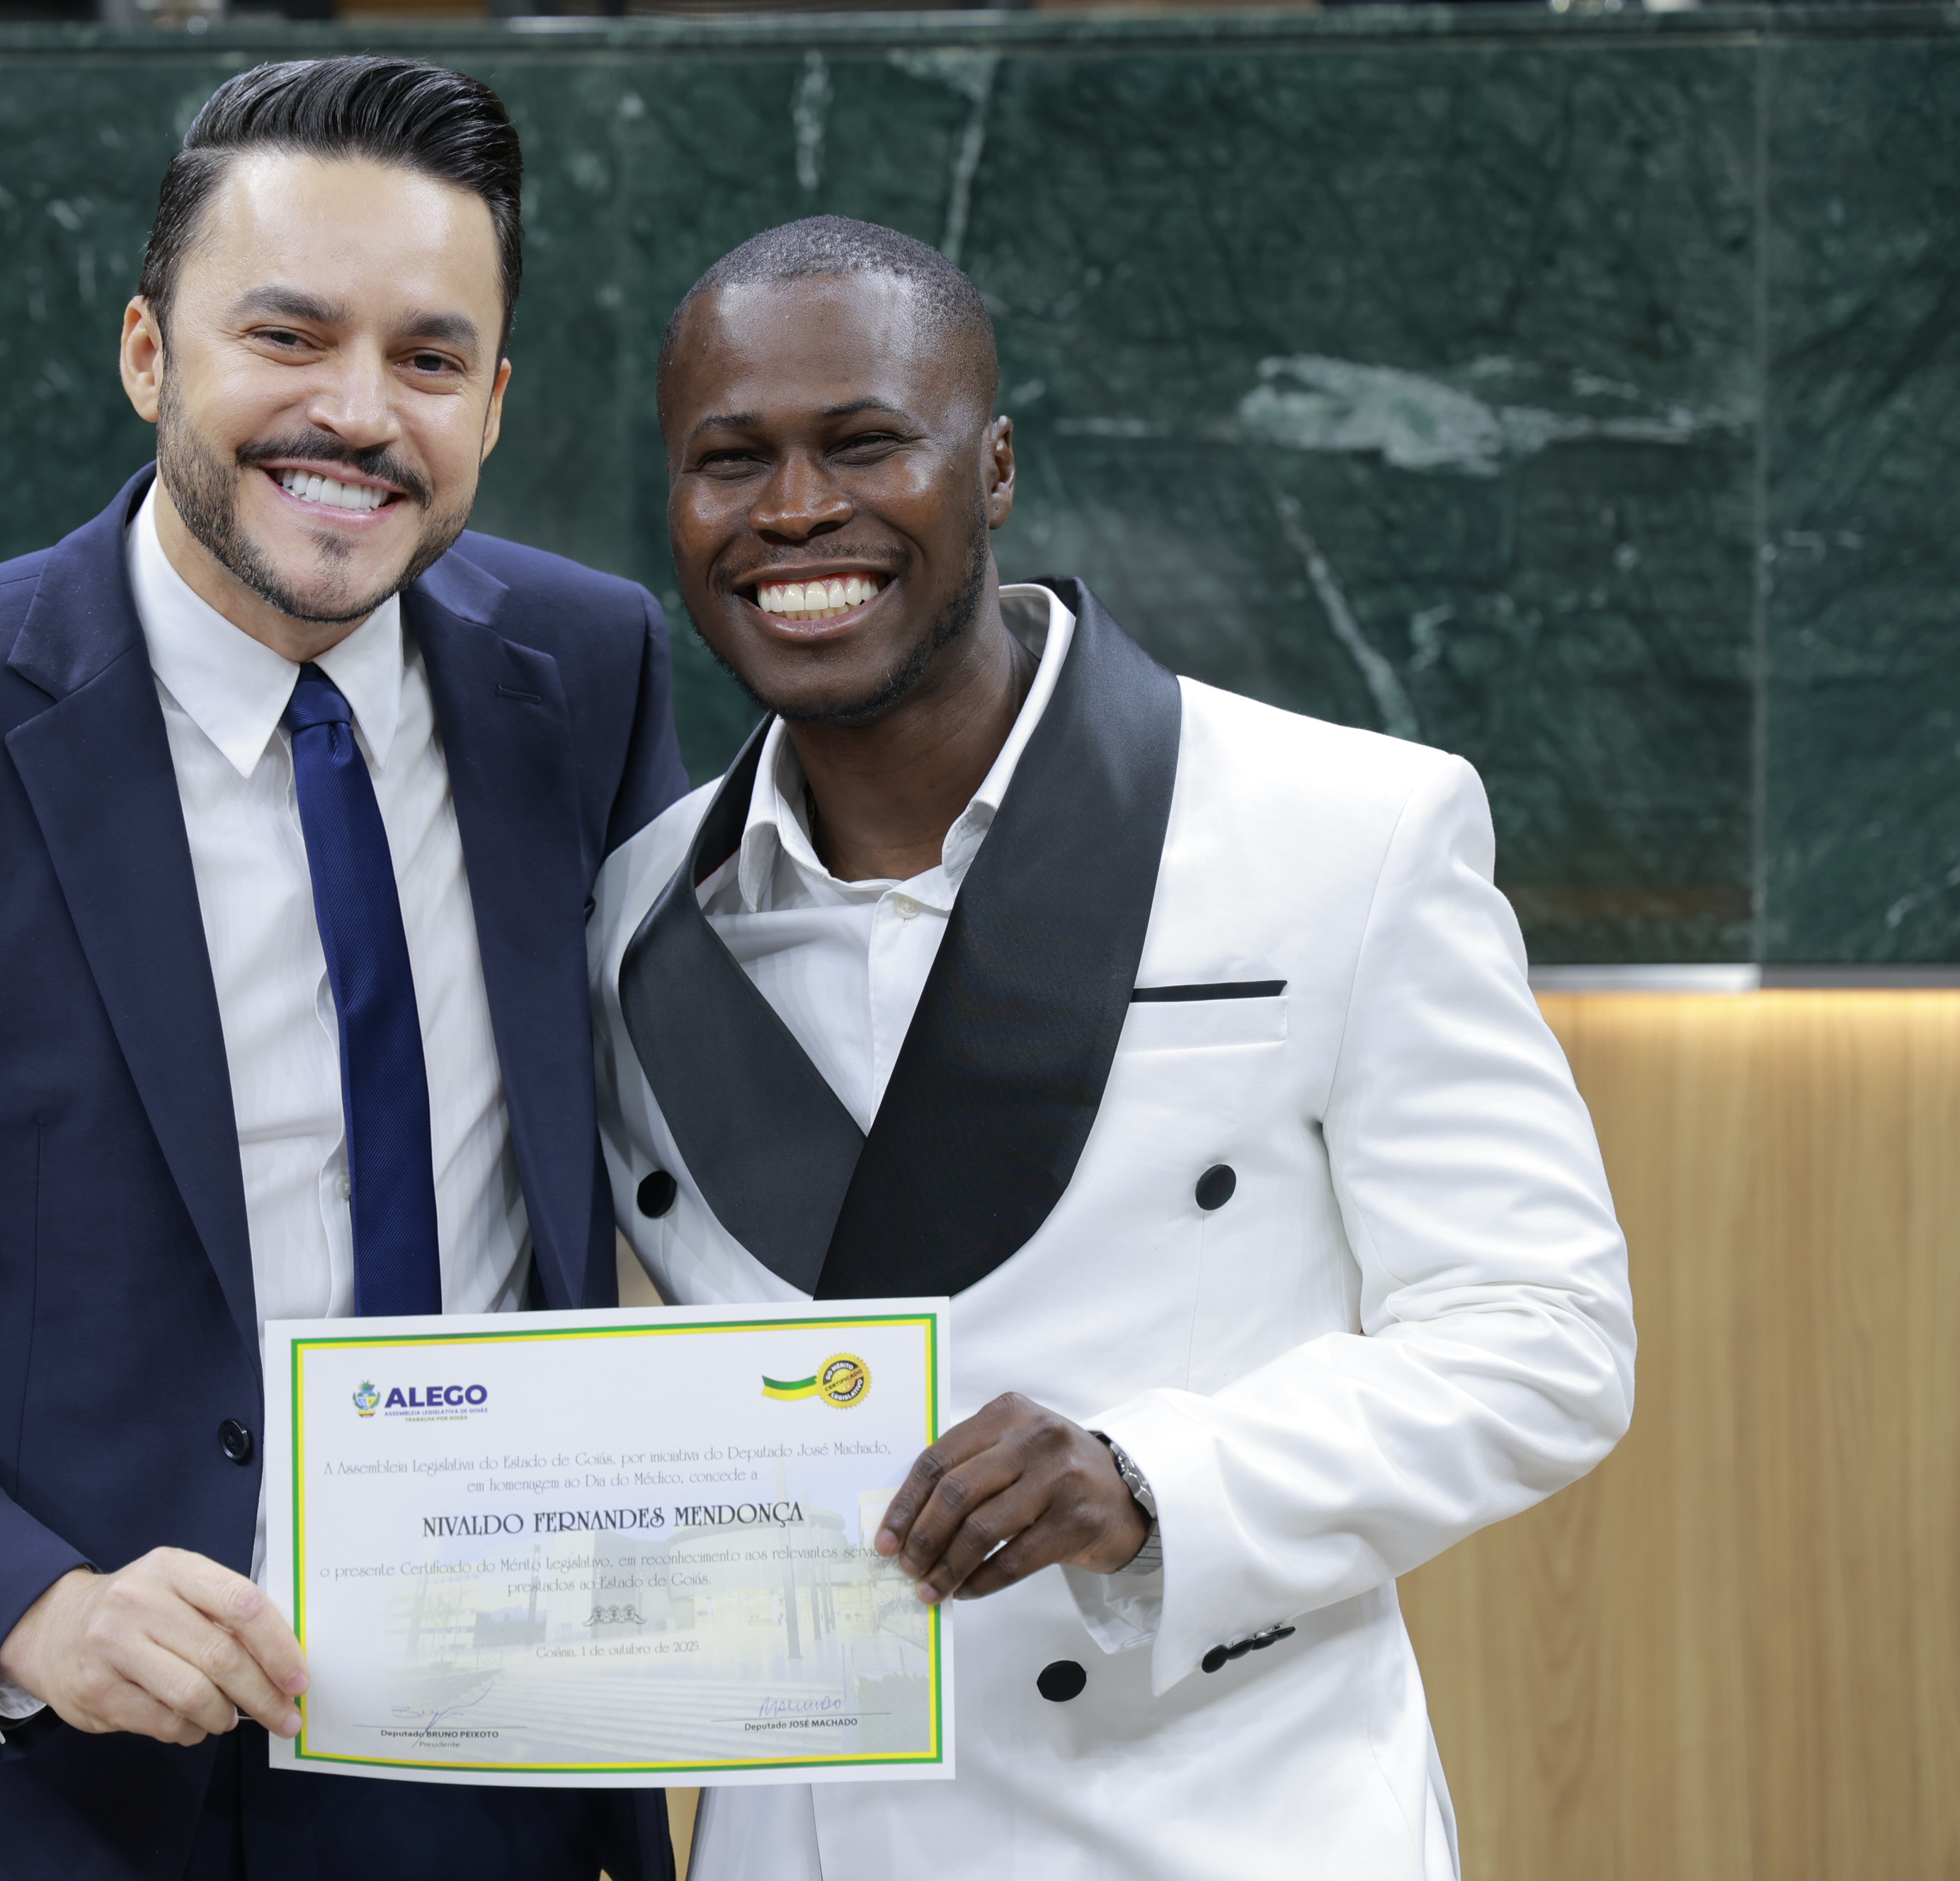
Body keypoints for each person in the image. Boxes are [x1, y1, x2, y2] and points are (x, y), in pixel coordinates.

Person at [0, 57, 684, 1881]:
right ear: (147, 353)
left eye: (430, 359)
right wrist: (32, 1606)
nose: (358, 412)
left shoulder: (586, 673)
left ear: (496, 404)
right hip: (40, 1793)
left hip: (490, 1777)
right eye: (288, 335)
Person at [588, 216, 1636, 1881]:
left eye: (865, 442)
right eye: (732, 460)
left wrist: (1152, 1477)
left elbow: (1545, 1337)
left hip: (1225, 1819)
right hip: (806, 1835)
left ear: (995, 467)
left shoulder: (1349, 829)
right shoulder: (634, 912)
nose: (794, 510)